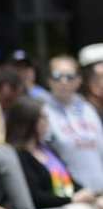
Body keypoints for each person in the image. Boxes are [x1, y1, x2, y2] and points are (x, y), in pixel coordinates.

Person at [8, 98, 96, 209]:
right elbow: (36, 196)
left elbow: (69, 181)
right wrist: (71, 200)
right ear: (28, 121)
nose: (47, 122)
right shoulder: (17, 155)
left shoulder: (48, 149)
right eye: (43, 118)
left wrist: (87, 193)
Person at [44, 54, 103, 193]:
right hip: (72, 194)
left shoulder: (88, 109)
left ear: (79, 80)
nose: (64, 81)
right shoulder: (43, 111)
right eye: (57, 76)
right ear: (48, 80)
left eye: (70, 76)